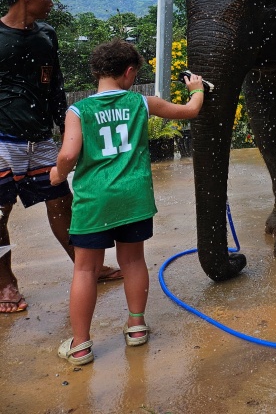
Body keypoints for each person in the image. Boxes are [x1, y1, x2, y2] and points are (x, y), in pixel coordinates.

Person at [49, 39, 206, 365]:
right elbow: (190, 111)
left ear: (96, 71)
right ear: (130, 72)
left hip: (95, 201)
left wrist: (57, 174)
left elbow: (68, 154)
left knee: (86, 269)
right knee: (133, 261)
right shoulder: (141, 102)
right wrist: (197, 87)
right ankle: (136, 326)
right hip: (134, 199)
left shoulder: (78, 110)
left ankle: (80, 346)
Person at [0, 0, 122, 315]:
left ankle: (89, 267)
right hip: (2, 142)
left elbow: (54, 86)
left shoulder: (47, 35)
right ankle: (5, 282)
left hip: (41, 140)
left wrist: (67, 131)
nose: (51, 2)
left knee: (62, 204)